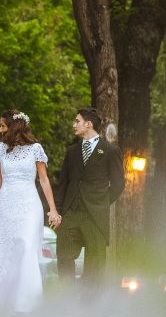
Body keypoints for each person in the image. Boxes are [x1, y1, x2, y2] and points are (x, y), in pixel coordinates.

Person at [0, 110, 61, 314]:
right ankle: (7, 301)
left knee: (26, 248)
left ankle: (28, 303)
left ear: (14, 126)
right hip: (7, 205)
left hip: (29, 205)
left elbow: (43, 180)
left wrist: (52, 209)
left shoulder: (35, 149)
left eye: (2, 125)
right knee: (7, 250)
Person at [54, 107, 125, 288]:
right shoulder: (71, 151)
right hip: (70, 213)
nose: (74, 125)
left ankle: (90, 302)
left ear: (88, 124)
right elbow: (63, 183)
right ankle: (67, 297)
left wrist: (101, 202)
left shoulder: (110, 151)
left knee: (95, 260)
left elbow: (118, 185)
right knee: (63, 256)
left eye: (77, 121)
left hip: (95, 215)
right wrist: (58, 211)